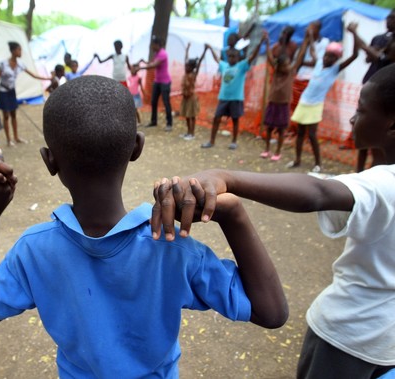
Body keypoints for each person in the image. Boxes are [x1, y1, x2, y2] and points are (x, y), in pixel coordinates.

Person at [0, 75, 288, 378]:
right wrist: (234, 216)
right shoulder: (173, 248)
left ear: (49, 161)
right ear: (137, 147)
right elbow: (271, 313)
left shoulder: (33, 250)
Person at [151, 63, 395, 379]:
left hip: (350, 335)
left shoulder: (386, 184)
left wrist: (225, 177)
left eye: (360, 110)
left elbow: (318, 191)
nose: (352, 118)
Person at [286, 23, 360, 173]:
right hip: (304, 101)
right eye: (327, 55)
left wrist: (353, 33)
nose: (327, 58)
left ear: (337, 59)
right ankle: (297, 159)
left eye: (332, 57)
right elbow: (313, 49)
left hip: (315, 105)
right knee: (300, 133)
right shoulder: (319, 62)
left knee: (312, 135)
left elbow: (355, 55)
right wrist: (311, 36)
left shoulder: (335, 70)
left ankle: (318, 163)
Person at [341, 9, 395, 172]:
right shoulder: (380, 38)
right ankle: (360, 173)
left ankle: (375, 172)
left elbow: (379, 57)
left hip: (386, 98)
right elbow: (369, 57)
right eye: (387, 17)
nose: (388, 20)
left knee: (380, 141)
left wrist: (355, 34)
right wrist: (356, 38)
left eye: (392, 18)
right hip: (372, 91)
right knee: (364, 135)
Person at [201, 32, 268, 150]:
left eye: (234, 57)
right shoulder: (224, 66)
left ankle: (234, 141)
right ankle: (211, 140)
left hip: (236, 98)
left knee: (235, 120)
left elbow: (252, 56)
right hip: (224, 97)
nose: (231, 59)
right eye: (230, 57)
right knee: (217, 118)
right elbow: (217, 59)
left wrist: (261, 42)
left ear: (238, 58)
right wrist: (210, 48)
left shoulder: (242, 66)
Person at [260, 28, 312, 161]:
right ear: (279, 66)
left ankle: (277, 151)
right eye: (286, 64)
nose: (289, 66)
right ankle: (267, 149)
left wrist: (306, 42)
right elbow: (271, 58)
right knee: (269, 127)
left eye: (289, 63)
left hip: (283, 104)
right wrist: (266, 43)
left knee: (282, 129)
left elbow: (299, 57)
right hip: (273, 102)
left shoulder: (291, 72)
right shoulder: (277, 71)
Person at [0, 42, 52, 146]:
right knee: (6, 116)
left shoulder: (20, 64)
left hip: (11, 91)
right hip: (3, 91)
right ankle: (9, 139)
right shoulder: (3, 64)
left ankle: (16, 137)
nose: (20, 52)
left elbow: (33, 75)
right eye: (19, 50)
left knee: (13, 114)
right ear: (13, 51)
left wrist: (48, 78)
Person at [138, 36, 173, 131]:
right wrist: (143, 62)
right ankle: (153, 121)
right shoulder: (156, 53)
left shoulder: (162, 54)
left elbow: (154, 65)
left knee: (166, 102)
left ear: (157, 45)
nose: (152, 47)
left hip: (165, 82)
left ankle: (169, 123)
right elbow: (151, 62)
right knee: (153, 101)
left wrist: (140, 68)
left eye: (153, 45)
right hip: (157, 81)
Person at [179, 43, 207, 141]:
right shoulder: (186, 74)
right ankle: (188, 132)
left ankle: (192, 133)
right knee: (187, 115)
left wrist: (204, 51)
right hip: (185, 97)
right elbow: (185, 59)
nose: (186, 67)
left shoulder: (193, 75)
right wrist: (187, 49)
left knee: (192, 116)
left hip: (191, 98)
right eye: (186, 66)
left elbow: (199, 64)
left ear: (192, 67)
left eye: (188, 66)